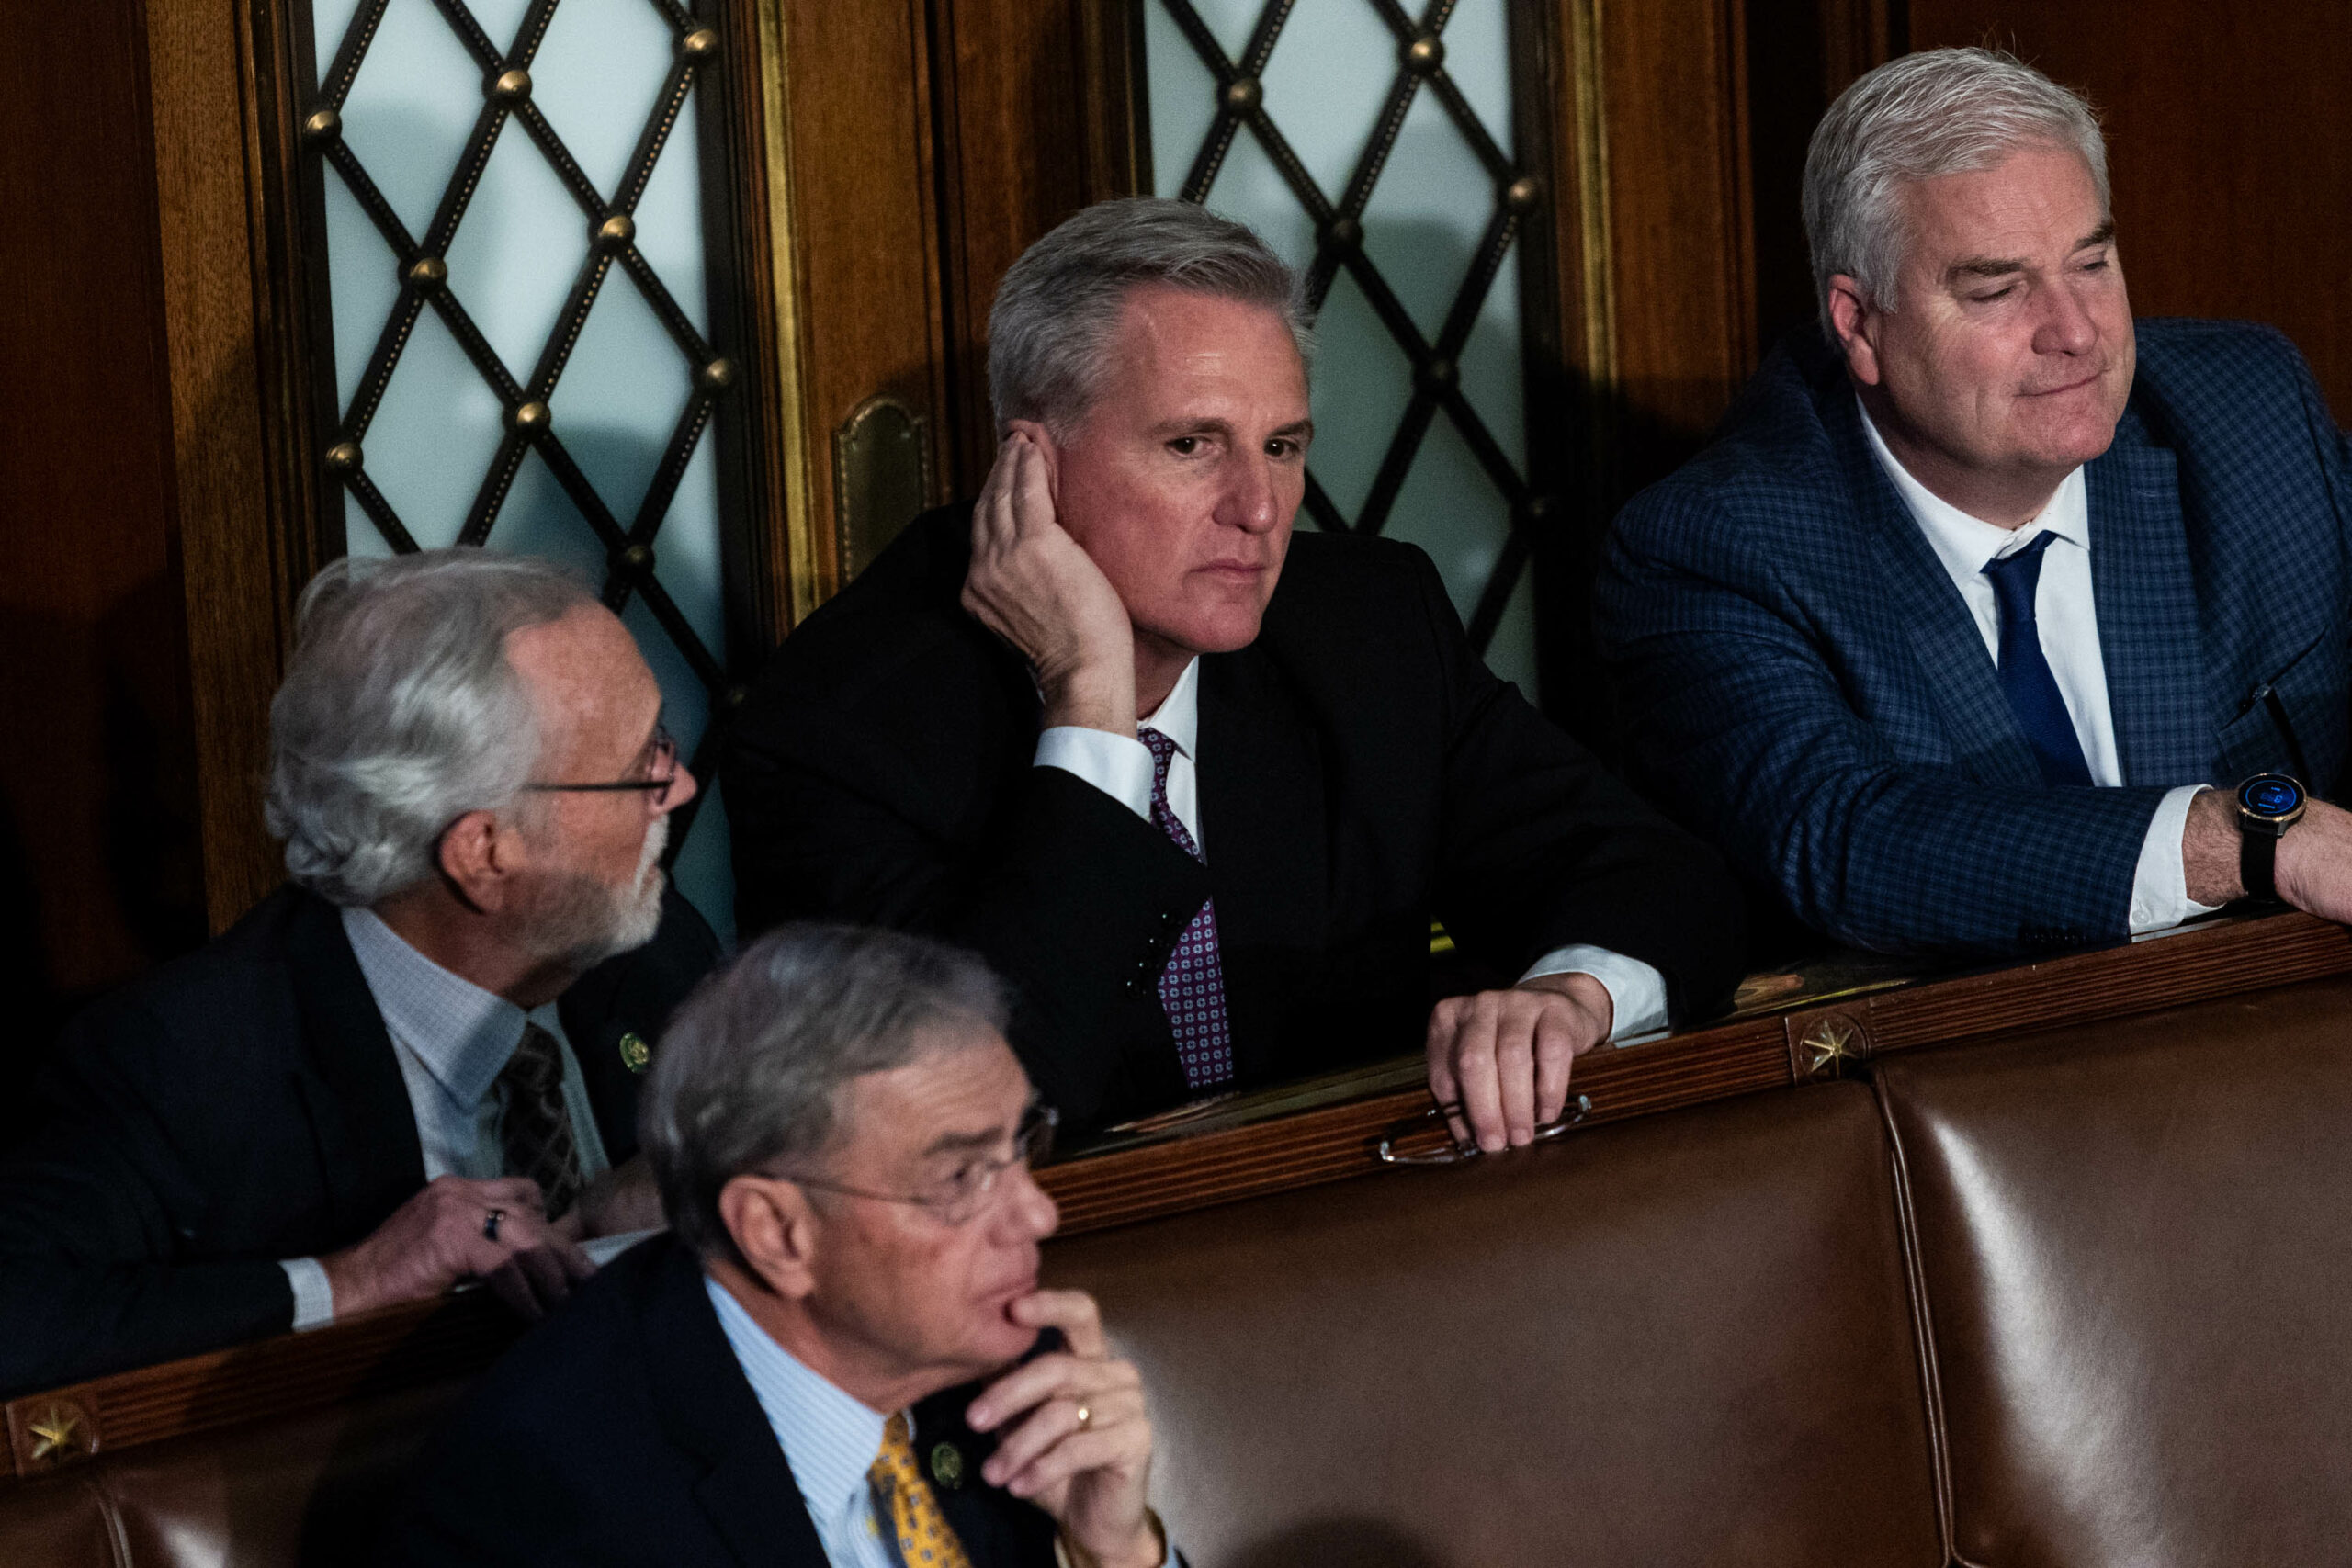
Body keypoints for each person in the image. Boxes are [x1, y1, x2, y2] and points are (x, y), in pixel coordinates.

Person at [727, 198, 1744, 1149]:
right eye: (1190, 445)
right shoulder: (836, 728)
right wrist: (1089, 708)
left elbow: (1659, 877)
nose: (1259, 509)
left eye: (1281, 445)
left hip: (1363, 1239)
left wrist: (1570, 999)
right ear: (1030, 466)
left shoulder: (1367, 626)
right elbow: (970, 1108)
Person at [1597, 48, 2352, 958]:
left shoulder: (2244, 418)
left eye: (2092, 263)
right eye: (1996, 290)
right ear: (1858, 324)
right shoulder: (1721, 546)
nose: (2075, 333)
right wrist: (2242, 840)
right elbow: (1844, 840)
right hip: (1961, 1072)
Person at [0, 549, 719, 1396]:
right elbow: (21, 1317)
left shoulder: (646, 944)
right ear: (484, 853)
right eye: (642, 765)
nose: (679, 787)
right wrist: (359, 1278)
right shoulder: (187, 1060)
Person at [382, 924, 1173, 1568]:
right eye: (964, 1176)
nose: (1035, 1215)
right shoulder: (550, 1510)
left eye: (1022, 1145)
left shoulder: (1005, 1374)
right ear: (775, 1231)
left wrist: (1115, 1552)